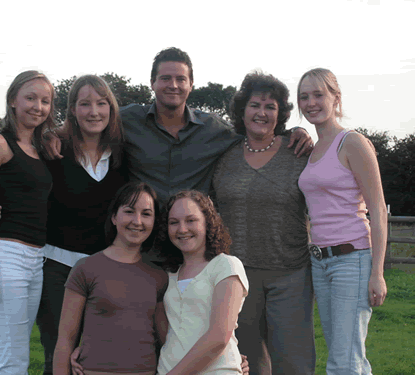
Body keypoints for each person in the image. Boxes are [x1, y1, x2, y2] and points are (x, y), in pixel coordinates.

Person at [44, 47, 313, 206]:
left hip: (192, 244)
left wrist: (292, 132)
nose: (173, 85)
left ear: (191, 84)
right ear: (152, 83)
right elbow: (88, 120)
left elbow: (255, 129)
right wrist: (52, 134)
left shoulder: (214, 129)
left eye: (180, 79)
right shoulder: (125, 120)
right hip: (141, 242)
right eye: (165, 78)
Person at [0, 74, 127, 375]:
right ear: (72, 110)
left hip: (105, 270)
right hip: (56, 270)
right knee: (58, 356)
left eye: (101, 104)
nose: (94, 112)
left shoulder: (123, 155)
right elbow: (19, 184)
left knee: (101, 355)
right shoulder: (53, 149)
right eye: (85, 104)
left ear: (111, 109)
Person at [212, 71, 315, 374]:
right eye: (255, 105)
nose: (261, 113)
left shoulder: (299, 152)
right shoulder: (224, 155)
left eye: (270, 107)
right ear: (242, 111)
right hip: (237, 277)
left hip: (291, 274)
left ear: (280, 114)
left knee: (293, 362)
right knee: (246, 362)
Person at [297, 68, 387, 375]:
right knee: (350, 356)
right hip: (320, 262)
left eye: (319, 94)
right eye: (304, 96)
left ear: (336, 98)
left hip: (353, 259)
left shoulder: (353, 143)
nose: (311, 102)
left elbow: (377, 209)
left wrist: (377, 272)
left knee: (343, 361)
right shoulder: (310, 149)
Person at [0, 70, 56, 374]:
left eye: (45, 101)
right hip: (5, 257)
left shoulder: (42, 149)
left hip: (37, 259)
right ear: (12, 101)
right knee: (11, 357)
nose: (38, 106)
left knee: (19, 353)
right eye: (30, 98)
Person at [53, 182, 168, 375]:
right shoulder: (85, 268)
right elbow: (65, 339)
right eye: (129, 211)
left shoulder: (158, 276)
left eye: (146, 214)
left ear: (155, 222)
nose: (137, 221)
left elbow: (169, 341)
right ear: (114, 217)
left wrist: (228, 354)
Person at [154, 190, 249, 374]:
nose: (182, 229)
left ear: (208, 222)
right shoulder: (168, 275)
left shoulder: (226, 265)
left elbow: (219, 337)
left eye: (191, 220)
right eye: (174, 222)